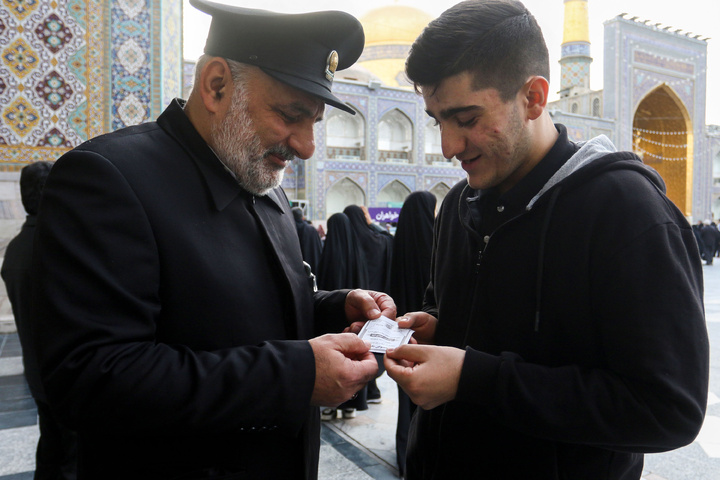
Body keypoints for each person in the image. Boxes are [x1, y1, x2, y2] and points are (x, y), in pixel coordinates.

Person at [30, 1, 395, 479]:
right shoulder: (110, 179)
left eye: (314, 124)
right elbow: (92, 378)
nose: (306, 146)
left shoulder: (265, 187)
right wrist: (297, 375)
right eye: (290, 114)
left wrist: (336, 306)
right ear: (217, 85)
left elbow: (261, 303)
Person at [383, 1, 709, 479]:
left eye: (467, 119)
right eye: (437, 121)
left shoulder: (624, 212)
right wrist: (434, 325)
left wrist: (474, 379)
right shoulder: (459, 204)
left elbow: (668, 409)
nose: (448, 146)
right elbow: (469, 319)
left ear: (534, 97)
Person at [2, 161, 78, 480]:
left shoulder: (17, 246)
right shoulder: (57, 247)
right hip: (67, 378)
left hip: (38, 375)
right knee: (73, 460)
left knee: (50, 451)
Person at [387, 191, 436, 478]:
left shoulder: (397, 242)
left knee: (405, 397)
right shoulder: (435, 243)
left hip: (401, 331)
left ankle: (403, 453)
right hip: (428, 335)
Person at [316, 212, 371, 419]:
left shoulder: (329, 252)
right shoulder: (356, 252)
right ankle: (351, 404)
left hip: (333, 319)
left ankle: (331, 405)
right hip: (354, 319)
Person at [344, 204, 394, 403]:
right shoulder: (379, 240)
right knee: (375, 346)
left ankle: (356, 394)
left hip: (354, 303)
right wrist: (373, 224)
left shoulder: (348, 240)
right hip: (378, 301)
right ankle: (372, 389)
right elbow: (390, 239)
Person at [292, 206, 323, 273]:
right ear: (302, 216)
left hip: (294, 269)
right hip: (310, 268)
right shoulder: (311, 230)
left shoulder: (289, 229)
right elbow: (318, 251)